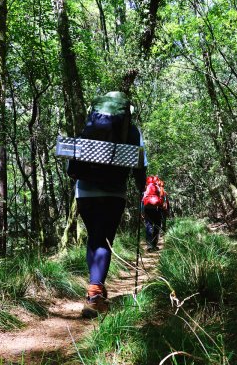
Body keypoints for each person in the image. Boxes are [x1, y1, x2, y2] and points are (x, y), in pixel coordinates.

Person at [75, 91, 146, 319]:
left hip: (84, 191)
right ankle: (94, 295)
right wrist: (141, 186)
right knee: (104, 239)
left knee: (94, 238)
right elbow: (140, 163)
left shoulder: (90, 126)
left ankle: (96, 288)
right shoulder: (132, 131)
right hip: (114, 192)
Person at [141, 175, 169, 251]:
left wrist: (142, 212)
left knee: (148, 226)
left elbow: (142, 201)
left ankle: (149, 245)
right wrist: (165, 211)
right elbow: (163, 200)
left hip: (147, 209)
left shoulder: (146, 189)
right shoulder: (159, 189)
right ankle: (154, 245)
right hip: (157, 209)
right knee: (156, 227)